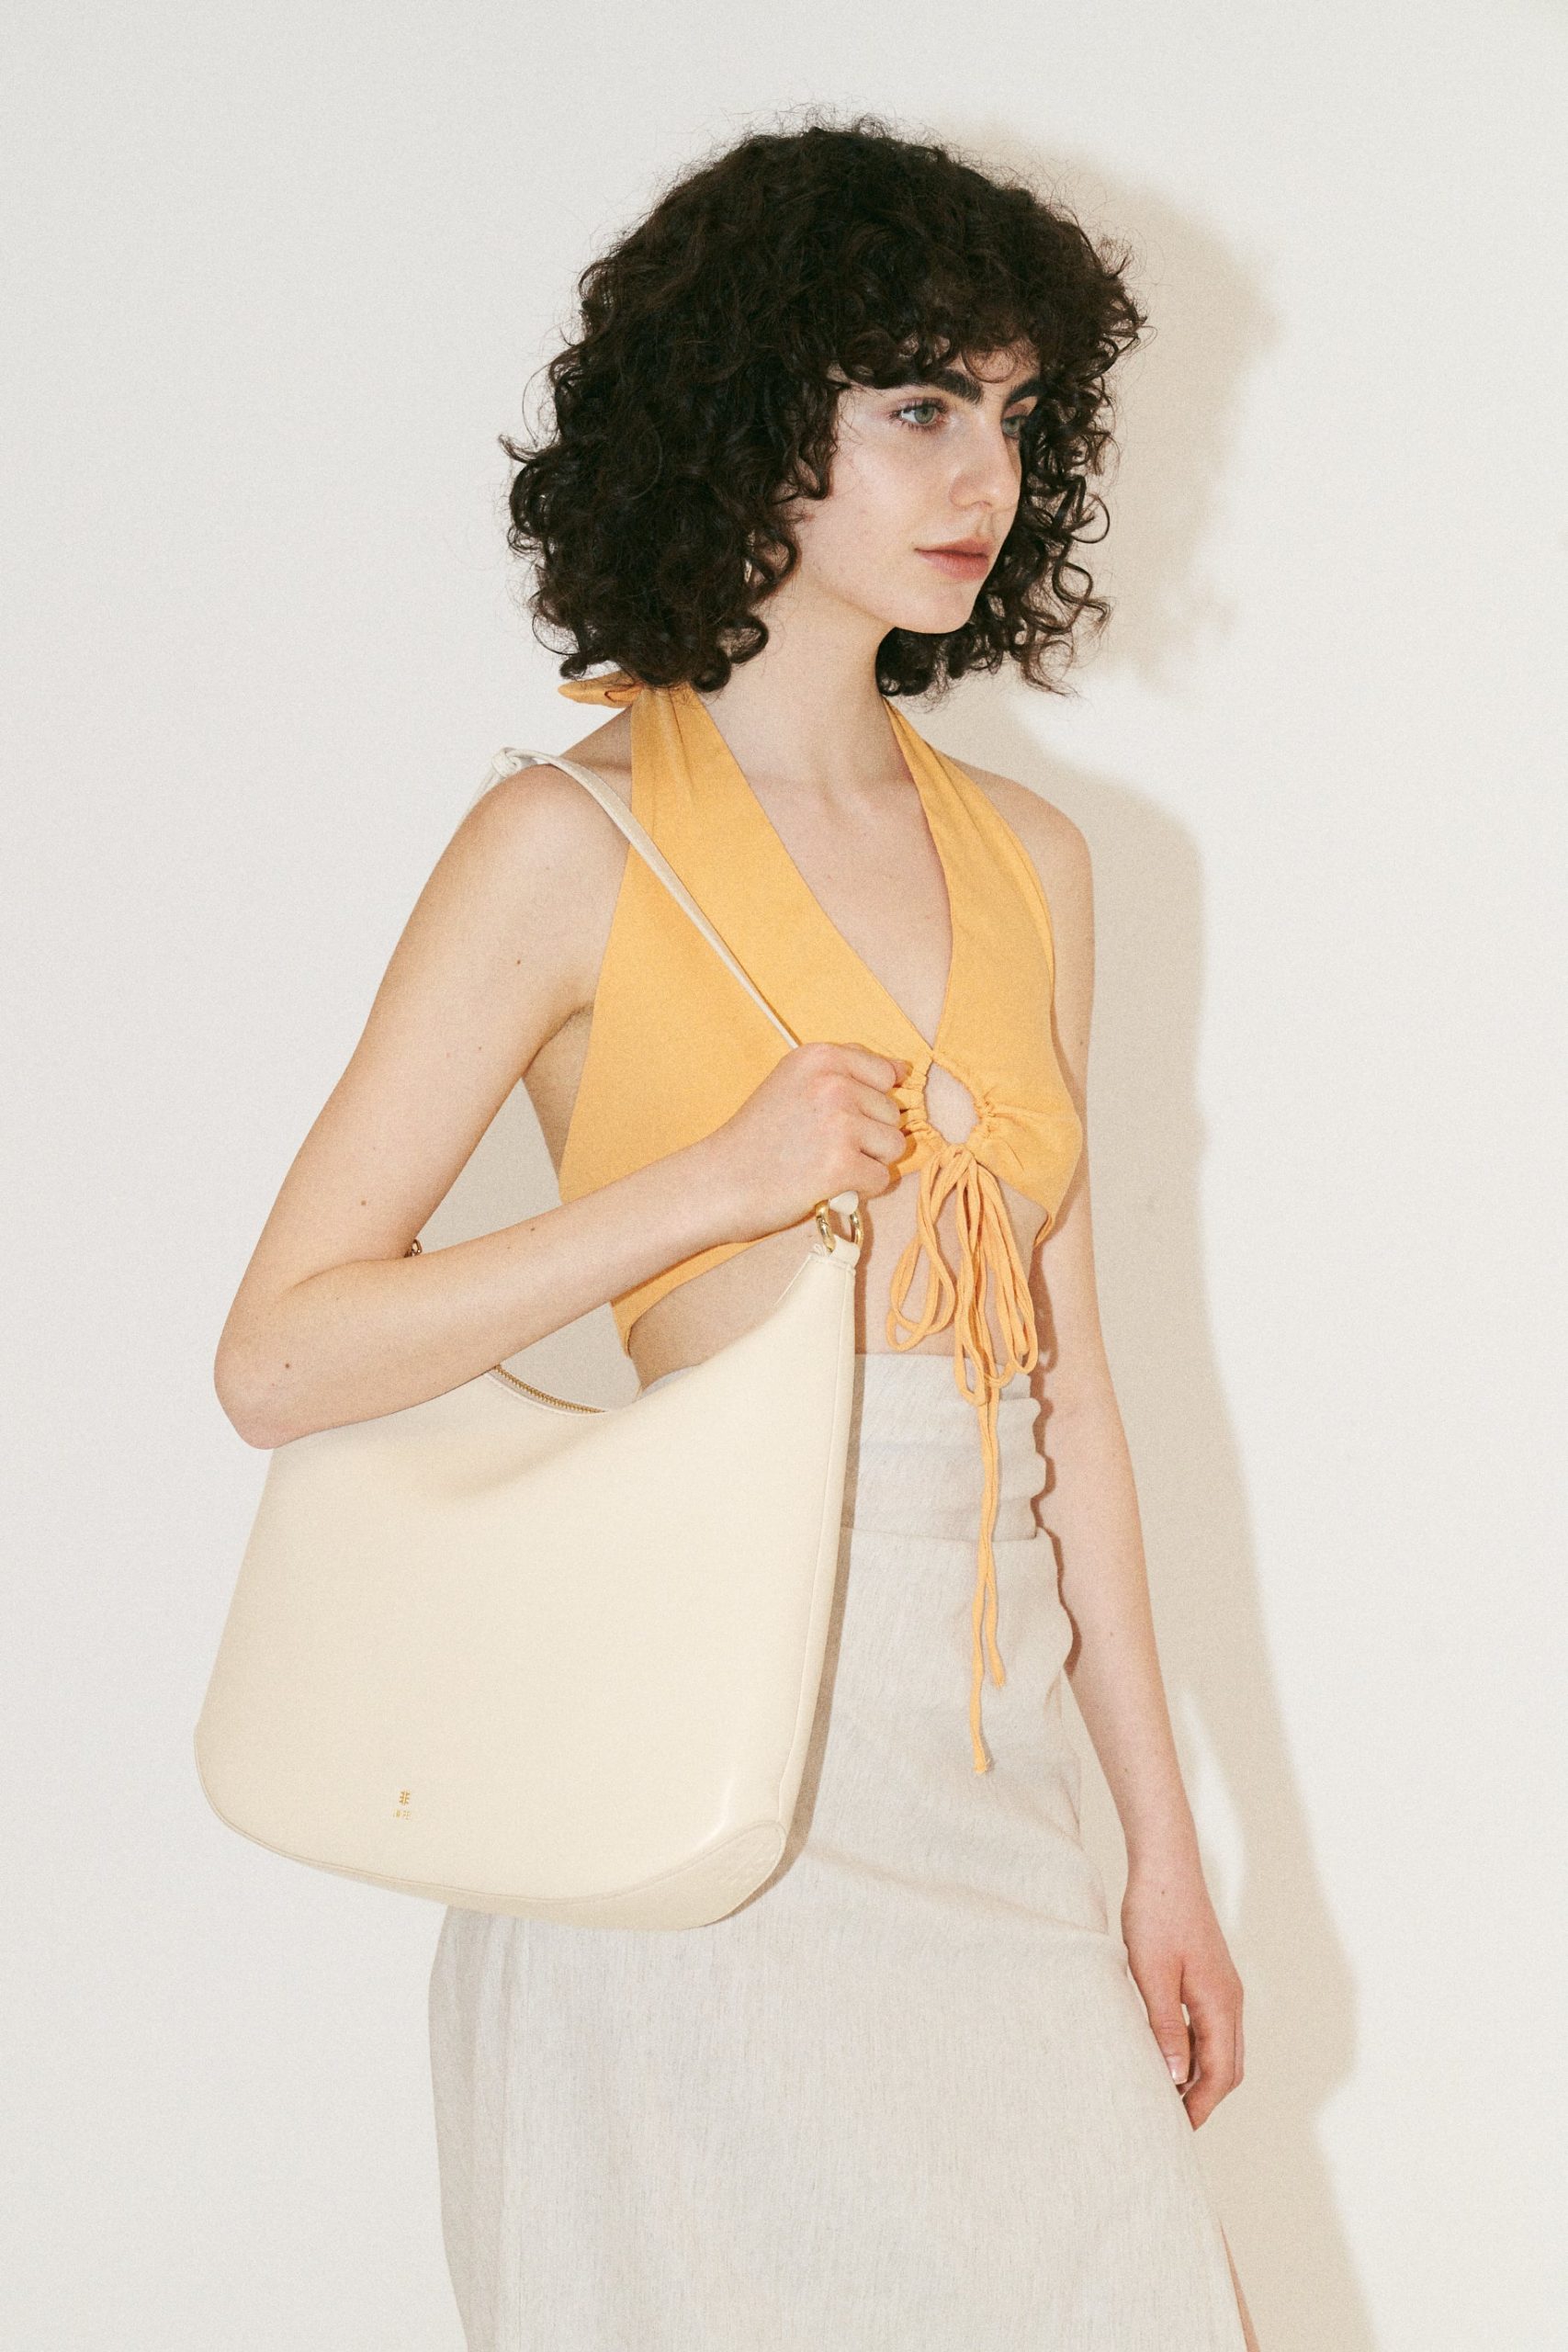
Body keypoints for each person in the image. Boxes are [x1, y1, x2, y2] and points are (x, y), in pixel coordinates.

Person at [214, 113, 1262, 2352]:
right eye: (916, 405)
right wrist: (707, 1187)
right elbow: (282, 1353)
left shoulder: (1032, 863)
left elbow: (1072, 1402)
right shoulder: (557, 842)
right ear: (745, 412)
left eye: (1012, 413)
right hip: (686, 1773)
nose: (981, 472)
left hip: (982, 1793)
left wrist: (1158, 1849)